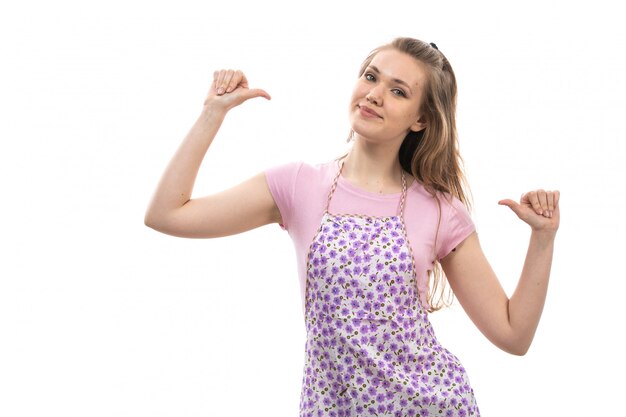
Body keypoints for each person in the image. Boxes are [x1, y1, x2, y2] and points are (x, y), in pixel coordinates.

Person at [144, 37, 559, 417]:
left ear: (421, 120)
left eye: (398, 91)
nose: (375, 95)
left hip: (430, 406)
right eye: (371, 76)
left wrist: (543, 237)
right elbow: (167, 214)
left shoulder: (438, 210)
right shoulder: (298, 185)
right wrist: (212, 113)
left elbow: (512, 335)